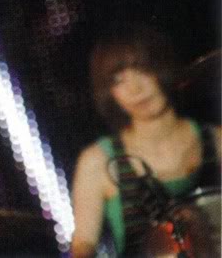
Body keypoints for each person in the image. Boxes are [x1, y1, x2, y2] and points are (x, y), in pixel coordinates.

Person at [70, 23, 221, 257]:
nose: (135, 89)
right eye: (118, 80)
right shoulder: (97, 161)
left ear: (162, 67)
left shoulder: (216, 140)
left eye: (141, 70)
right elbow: (83, 246)